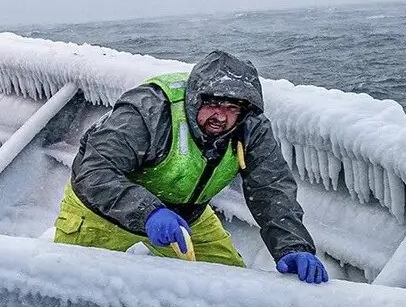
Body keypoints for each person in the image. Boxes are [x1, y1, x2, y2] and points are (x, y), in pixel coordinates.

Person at [54, 50, 327, 282]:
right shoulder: (148, 111)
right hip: (103, 212)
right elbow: (95, 171)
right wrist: (148, 212)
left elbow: (271, 188)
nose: (221, 116)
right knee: (71, 287)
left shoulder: (251, 128)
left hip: (185, 216)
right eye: (214, 103)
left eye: (232, 108)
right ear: (196, 97)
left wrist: (293, 246)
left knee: (230, 286)